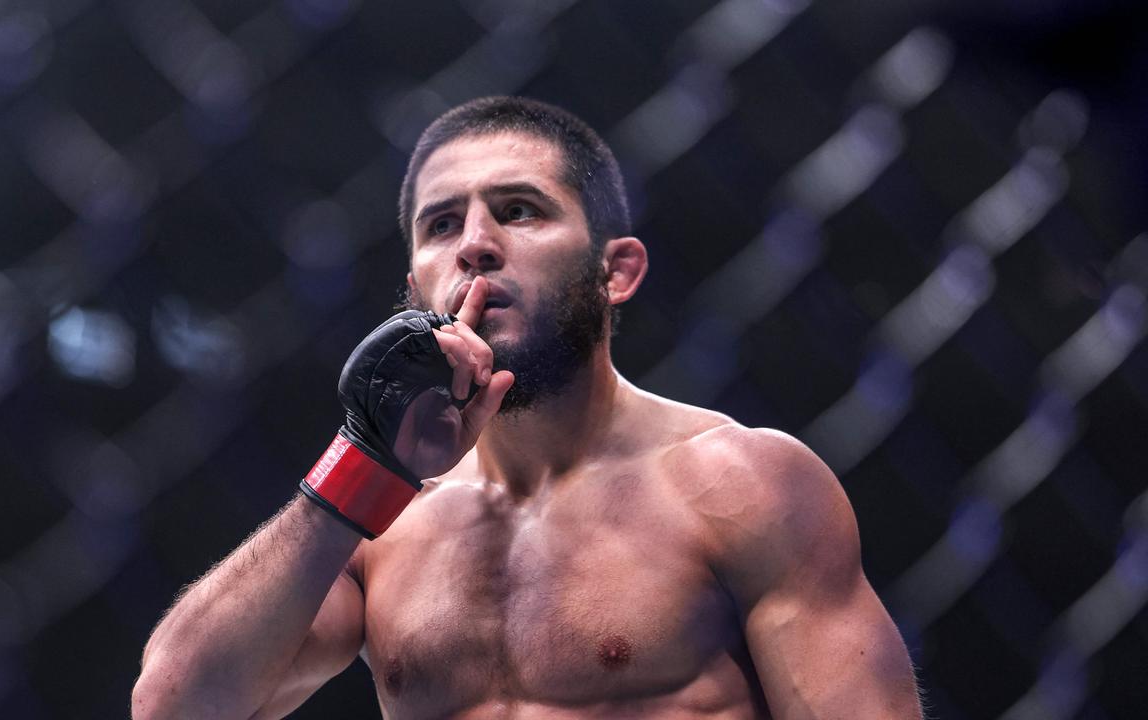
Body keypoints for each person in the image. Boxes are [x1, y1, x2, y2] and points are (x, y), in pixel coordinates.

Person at [132, 96, 924, 719]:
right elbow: (175, 705)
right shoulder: (381, 524)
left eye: (518, 210)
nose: (474, 243)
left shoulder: (740, 484)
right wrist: (361, 463)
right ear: (414, 289)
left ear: (615, 273)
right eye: (441, 225)